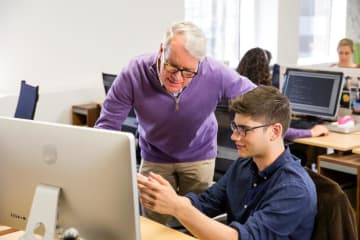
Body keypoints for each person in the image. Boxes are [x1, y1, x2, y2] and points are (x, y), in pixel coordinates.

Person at [95, 21, 256, 223]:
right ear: (161, 50)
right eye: (171, 66)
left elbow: (260, 100)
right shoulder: (135, 71)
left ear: (199, 63)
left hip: (199, 154)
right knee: (153, 225)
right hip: (154, 155)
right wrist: (108, 167)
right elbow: (108, 124)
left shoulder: (214, 71)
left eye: (188, 72)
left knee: (197, 221)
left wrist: (293, 132)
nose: (177, 78)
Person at [138, 86, 317, 240]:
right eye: (235, 127)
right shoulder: (244, 165)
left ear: (275, 132)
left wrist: (178, 207)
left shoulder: (294, 189)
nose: (233, 137)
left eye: (244, 130)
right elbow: (206, 203)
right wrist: (165, 198)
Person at [236, 47, 329, 140]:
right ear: (265, 68)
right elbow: (277, 130)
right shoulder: (258, 96)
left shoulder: (236, 90)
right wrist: (311, 132)